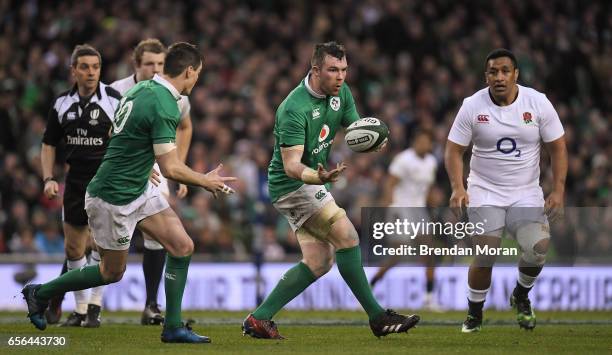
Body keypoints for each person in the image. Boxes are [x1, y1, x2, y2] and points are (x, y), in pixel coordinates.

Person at [23, 42, 236, 344]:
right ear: (189, 71)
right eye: (198, 74)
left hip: (137, 187)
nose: (197, 79)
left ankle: (173, 326)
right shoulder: (164, 104)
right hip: (113, 196)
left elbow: (114, 134)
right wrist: (205, 180)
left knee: (182, 245)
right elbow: (172, 168)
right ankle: (41, 292)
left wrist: (138, 160)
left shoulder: (141, 89)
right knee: (111, 272)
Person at [242, 41, 419, 339]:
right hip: (293, 185)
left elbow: (356, 129)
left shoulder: (342, 93)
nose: (341, 77)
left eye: (344, 70)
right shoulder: (293, 108)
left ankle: (258, 319)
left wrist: (374, 139)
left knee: (319, 262)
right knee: (348, 237)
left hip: (312, 181)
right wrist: (316, 176)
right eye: (333, 70)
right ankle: (377, 317)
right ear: (315, 70)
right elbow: (291, 166)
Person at [445, 48, 567, 332]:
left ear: (516, 74)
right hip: (485, 189)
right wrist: (457, 187)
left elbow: (558, 149)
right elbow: (453, 151)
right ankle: (474, 313)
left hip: (525, 191)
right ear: (485, 76)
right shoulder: (472, 106)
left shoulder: (537, 103)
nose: (499, 77)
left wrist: (558, 190)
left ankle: (521, 295)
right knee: (486, 252)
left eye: (504, 71)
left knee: (538, 248)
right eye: (492, 72)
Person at [111, 38, 192, 326]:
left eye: (160, 63)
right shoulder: (117, 91)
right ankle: (62, 299)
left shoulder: (176, 96)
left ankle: (151, 305)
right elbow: (113, 136)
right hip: (119, 169)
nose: (155, 69)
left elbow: (185, 125)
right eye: (149, 64)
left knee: (162, 238)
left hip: (157, 165)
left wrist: (179, 165)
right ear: (137, 65)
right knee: (87, 247)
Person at [41, 44, 121, 328]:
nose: (91, 73)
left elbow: (130, 138)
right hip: (75, 182)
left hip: (106, 181)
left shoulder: (114, 100)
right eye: (85, 67)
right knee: (74, 249)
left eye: (96, 67)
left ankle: (94, 308)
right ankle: (80, 309)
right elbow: (49, 143)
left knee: (101, 244)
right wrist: (48, 178)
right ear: (73, 70)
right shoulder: (62, 104)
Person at [370, 129, 441, 311]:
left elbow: (427, 190)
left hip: (418, 212)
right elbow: (390, 184)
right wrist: (389, 209)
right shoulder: (403, 159)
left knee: (430, 253)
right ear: (415, 142)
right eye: (421, 141)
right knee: (397, 256)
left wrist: (432, 207)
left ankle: (429, 298)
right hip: (400, 209)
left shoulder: (432, 162)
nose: (424, 145)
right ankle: (370, 287)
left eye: (427, 142)